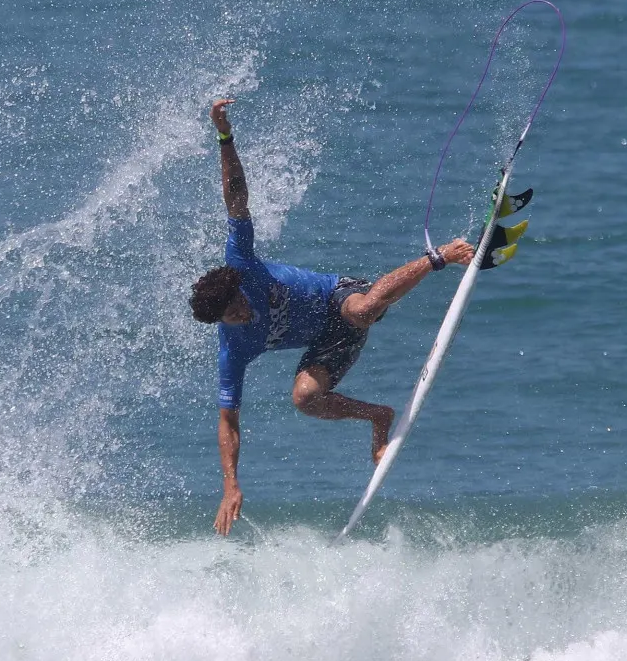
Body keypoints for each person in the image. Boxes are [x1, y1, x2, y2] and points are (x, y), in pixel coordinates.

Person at [190, 98, 476, 536]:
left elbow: (236, 197)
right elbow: (228, 419)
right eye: (233, 316)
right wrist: (231, 485)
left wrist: (224, 136)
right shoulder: (233, 348)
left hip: (340, 297)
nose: (242, 314)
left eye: (239, 304)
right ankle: (380, 417)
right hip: (328, 342)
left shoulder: (241, 263)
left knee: (361, 310)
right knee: (304, 399)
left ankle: (440, 256)